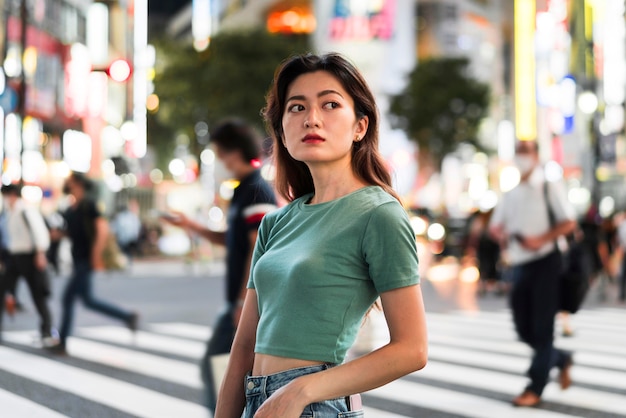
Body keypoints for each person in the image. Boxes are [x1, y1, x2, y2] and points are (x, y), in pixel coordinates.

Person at [214, 53, 428, 418]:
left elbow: (412, 349)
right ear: (281, 129)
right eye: (296, 108)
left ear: (360, 126)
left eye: (330, 104)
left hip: (313, 406)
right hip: (257, 401)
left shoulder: (379, 214)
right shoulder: (276, 223)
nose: (311, 118)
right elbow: (245, 344)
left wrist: (300, 391)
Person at [161, 119, 278, 413]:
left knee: (222, 371)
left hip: (247, 303)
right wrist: (191, 225)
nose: (217, 162)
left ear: (232, 153)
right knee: (226, 372)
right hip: (241, 302)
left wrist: (242, 301)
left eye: (218, 154)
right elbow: (235, 240)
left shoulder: (255, 191)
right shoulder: (242, 190)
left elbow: (258, 250)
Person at [489, 139, 577, 407]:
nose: (522, 157)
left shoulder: (548, 186)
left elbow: (569, 222)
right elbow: (495, 226)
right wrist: (500, 233)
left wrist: (541, 239)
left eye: (526, 151)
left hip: (546, 262)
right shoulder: (512, 193)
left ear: (537, 155)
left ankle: (534, 387)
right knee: (523, 328)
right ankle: (560, 359)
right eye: (518, 151)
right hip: (519, 265)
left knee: (542, 329)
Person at [46, 172, 138, 355]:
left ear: (79, 183)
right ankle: (127, 317)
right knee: (88, 301)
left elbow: (102, 231)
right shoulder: (71, 206)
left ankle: (62, 342)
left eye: (71, 180)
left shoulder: (90, 204)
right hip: (78, 259)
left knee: (68, 299)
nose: (67, 182)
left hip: (86, 260)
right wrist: (60, 235)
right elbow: (74, 232)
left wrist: (95, 258)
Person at [0, 184, 54, 344]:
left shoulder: (25, 210)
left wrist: (40, 253)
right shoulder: (9, 213)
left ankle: (46, 331)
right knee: (2, 288)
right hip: (15, 258)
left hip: (30, 257)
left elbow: (40, 232)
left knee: (37, 294)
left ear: (13, 195)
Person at [110, 200, 142, 266]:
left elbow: (135, 230)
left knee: (126, 253)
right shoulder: (124, 217)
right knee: (125, 253)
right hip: (124, 239)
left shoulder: (133, 217)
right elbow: (115, 227)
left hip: (128, 240)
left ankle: (126, 263)